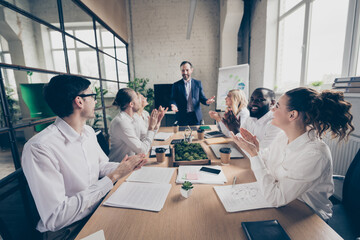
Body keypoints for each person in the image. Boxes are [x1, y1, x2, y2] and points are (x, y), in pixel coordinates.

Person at [21, 75, 147, 239]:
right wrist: (113, 176)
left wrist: (126, 166)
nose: (96, 102)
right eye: (92, 96)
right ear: (79, 101)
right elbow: (56, 217)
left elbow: (101, 166)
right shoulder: (40, 148)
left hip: (96, 209)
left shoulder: (87, 132)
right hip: (68, 230)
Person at [231, 87, 354, 221]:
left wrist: (255, 155)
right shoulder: (283, 137)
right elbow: (265, 160)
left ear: (292, 115)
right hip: (286, 204)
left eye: (277, 106)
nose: (272, 110)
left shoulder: (314, 154)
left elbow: (275, 198)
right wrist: (256, 150)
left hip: (309, 216)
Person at [109, 88, 167, 162]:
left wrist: (156, 124)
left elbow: (145, 139)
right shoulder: (121, 122)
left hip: (131, 164)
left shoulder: (134, 118)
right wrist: (150, 128)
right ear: (131, 104)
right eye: (136, 98)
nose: (139, 100)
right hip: (119, 167)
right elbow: (143, 150)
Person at [170, 61, 215, 126]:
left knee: (196, 135)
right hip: (182, 117)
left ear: (191, 70)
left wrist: (206, 101)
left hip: (195, 117)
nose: (185, 72)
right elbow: (173, 99)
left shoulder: (198, 83)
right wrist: (173, 105)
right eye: (183, 70)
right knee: (181, 135)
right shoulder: (176, 85)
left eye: (187, 70)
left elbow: (202, 98)